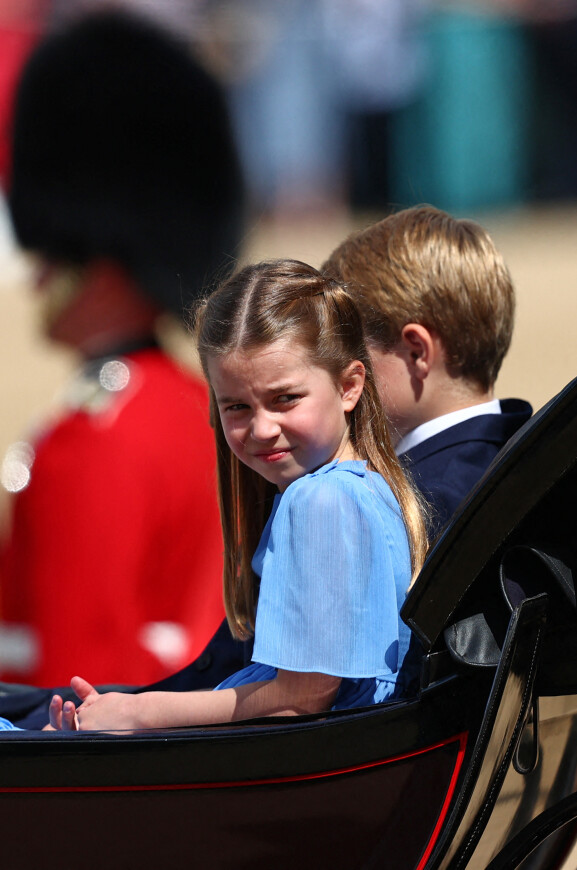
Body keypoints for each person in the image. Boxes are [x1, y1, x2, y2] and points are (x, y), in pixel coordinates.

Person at [31, 258, 428, 732]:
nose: (261, 428)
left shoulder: (320, 501)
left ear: (349, 386)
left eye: (286, 399)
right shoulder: (356, 488)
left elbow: (302, 697)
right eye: (236, 406)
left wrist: (137, 712)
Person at [0, 9, 244, 686]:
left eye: (54, 252)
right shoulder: (202, 406)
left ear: (104, 265)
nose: (37, 271)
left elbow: (80, 696)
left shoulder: (91, 441)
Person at [322, 205, 533, 535]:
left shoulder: (416, 509)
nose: (335, 377)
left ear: (417, 351)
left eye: (347, 352)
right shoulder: (538, 460)